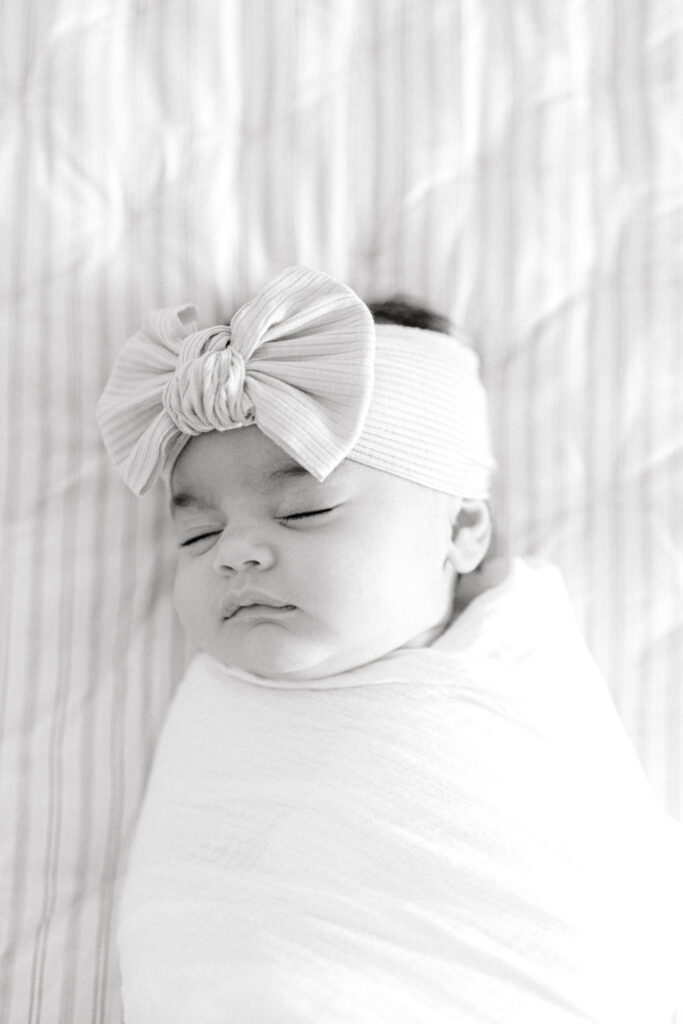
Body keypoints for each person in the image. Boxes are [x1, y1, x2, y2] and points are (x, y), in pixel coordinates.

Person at [97, 267, 683, 1023]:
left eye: (304, 511)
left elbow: (606, 904)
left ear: (463, 529)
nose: (233, 552)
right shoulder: (219, 717)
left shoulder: (518, 657)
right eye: (197, 534)